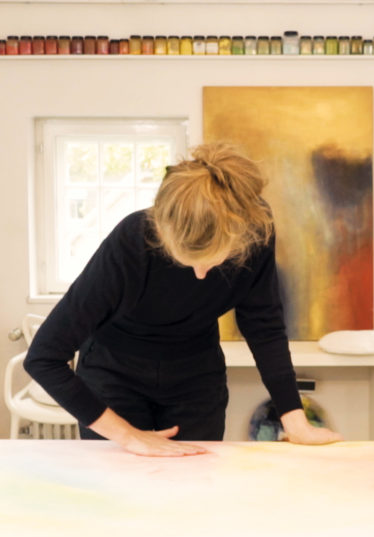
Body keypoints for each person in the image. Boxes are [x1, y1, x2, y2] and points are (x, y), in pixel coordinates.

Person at [24, 143, 343, 457]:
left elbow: (264, 325)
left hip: (196, 374)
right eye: (189, 261)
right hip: (114, 371)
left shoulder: (255, 226)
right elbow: (43, 358)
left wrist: (294, 419)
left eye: (214, 260)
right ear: (163, 233)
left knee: (195, 481)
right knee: (121, 482)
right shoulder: (130, 241)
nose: (201, 275)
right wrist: (129, 437)